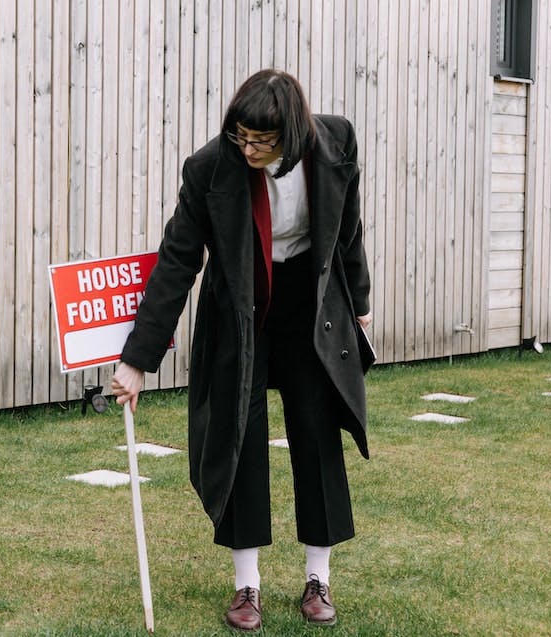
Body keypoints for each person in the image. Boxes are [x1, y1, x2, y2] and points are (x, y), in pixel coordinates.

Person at [111, 69, 372, 632]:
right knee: (239, 437)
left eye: (261, 141)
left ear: (293, 133)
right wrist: (137, 359)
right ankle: (246, 586)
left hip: (309, 305)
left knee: (315, 431)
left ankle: (318, 579)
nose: (248, 148)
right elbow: (178, 261)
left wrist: (361, 299)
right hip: (241, 310)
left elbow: (347, 230)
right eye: (241, 137)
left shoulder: (337, 142)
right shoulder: (209, 169)